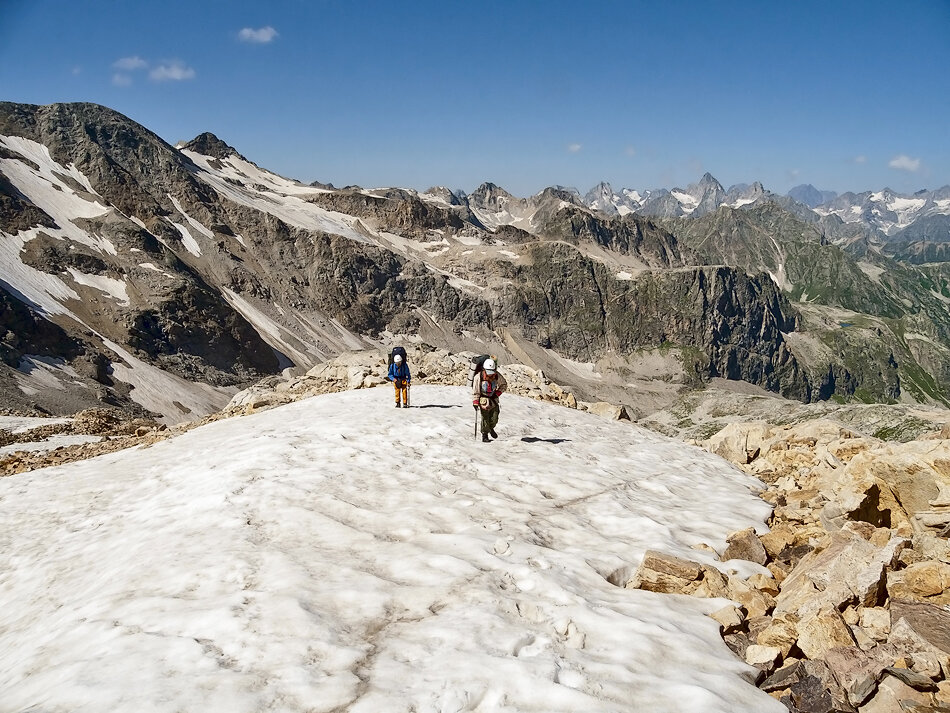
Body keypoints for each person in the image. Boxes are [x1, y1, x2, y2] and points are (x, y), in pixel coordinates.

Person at [472, 358, 507, 442]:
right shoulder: (478, 377)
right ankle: (485, 435)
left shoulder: (497, 375)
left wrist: (497, 393)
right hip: (483, 399)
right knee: (485, 418)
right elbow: (476, 390)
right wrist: (475, 402)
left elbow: (503, 385)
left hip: (493, 399)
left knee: (494, 417)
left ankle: (491, 428)